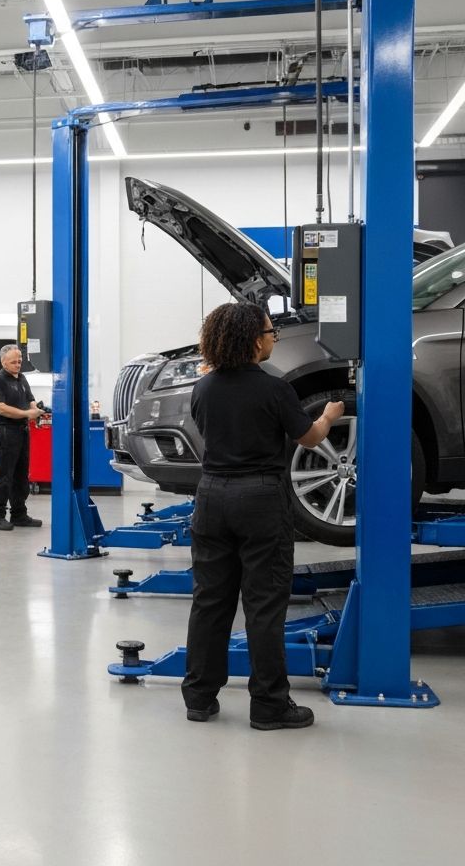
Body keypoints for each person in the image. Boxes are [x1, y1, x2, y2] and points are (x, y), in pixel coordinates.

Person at [182, 302, 344, 730]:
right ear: (255, 341)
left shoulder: (203, 388)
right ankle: (270, 705)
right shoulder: (275, 388)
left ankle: (199, 697)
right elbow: (309, 437)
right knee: (264, 606)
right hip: (260, 500)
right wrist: (328, 416)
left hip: (211, 497)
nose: (274, 337)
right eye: (272, 332)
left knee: (210, 601)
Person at [0, 344, 44, 530]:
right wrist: (27, 414)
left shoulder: (22, 378)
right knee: (4, 476)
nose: (18, 364)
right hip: (6, 432)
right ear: (3, 362)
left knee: (21, 476)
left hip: (22, 431)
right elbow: (1, 408)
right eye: (14, 362)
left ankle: (19, 514)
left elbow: (30, 399)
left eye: (19, 361)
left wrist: (35, 409)